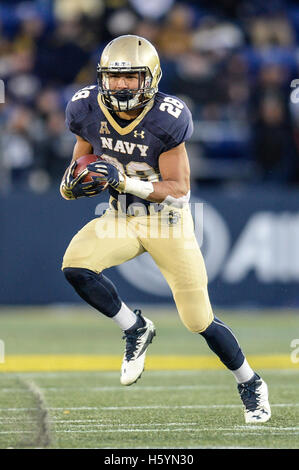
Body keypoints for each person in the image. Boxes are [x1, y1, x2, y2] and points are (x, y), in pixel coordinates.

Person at [60, 35, 271, 424]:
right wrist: (73, 184)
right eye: (114, 77)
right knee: (75, 266)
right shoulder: (84, 107)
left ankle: (250, 381)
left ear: (150, 78)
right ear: (102, 77)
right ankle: (135, 327)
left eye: (131, 77)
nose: (121, 85)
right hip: (120, 217)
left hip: (166, 222)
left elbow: (178, 191)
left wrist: (122, 182)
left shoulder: (166, 117)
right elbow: (79, 165)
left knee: (198, 319)